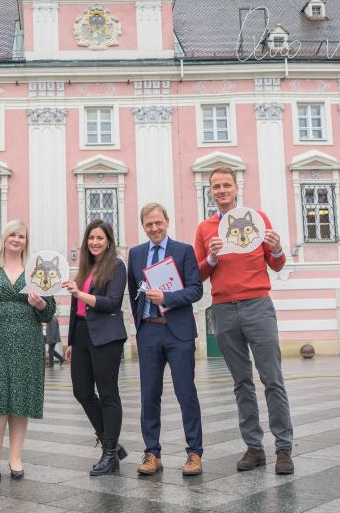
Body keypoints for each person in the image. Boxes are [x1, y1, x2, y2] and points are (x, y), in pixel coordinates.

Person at [193, 166, 294, 475]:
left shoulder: (258, 218)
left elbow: (276, 264)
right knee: (241, 383)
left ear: (236, 188)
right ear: (210, 192)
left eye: (226, 185)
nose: (221, 190)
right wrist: (210, 258)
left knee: (272, 379)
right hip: (223, 309)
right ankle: (253, 447)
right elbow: (196, 276)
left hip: (257, 305)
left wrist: (277, 248)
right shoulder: (205, 229)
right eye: (216, 186)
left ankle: (283, 448)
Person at [0, 220, 56, 481]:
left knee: (20, 399)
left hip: (26, 340)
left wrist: (39, 304)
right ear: (4, 238)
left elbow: (49, 312)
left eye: (22, 236)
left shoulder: (36, 272)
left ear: (27, 241)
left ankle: (15, 457)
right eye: (12, 235)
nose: (17, 239)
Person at [126, 203, 204, 476]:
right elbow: (132, 292)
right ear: (143, 226)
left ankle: (194, 453)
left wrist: (167, 298)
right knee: (149, 395)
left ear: (167, 221)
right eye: (149, 224)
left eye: (158, 222)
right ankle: (152, 453)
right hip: (148, 331)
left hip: (178, 331)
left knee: (186, 393)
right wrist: (139, 327)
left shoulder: (183, 251)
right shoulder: (135, 254)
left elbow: (196, 290)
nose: (154, 228)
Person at [63, 219, 128, 476]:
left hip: (106, 336)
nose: (95, 242)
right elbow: (74, 309)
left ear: (108, 241)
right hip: (81, 334)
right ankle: (109, 439)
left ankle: (110, 452)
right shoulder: (84, 268)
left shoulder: (116, 266)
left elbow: (112, 302)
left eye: (100, 238)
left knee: (108, 393)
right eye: (91, 238)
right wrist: (70, 342)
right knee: (81, 391)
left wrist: (80, 294)